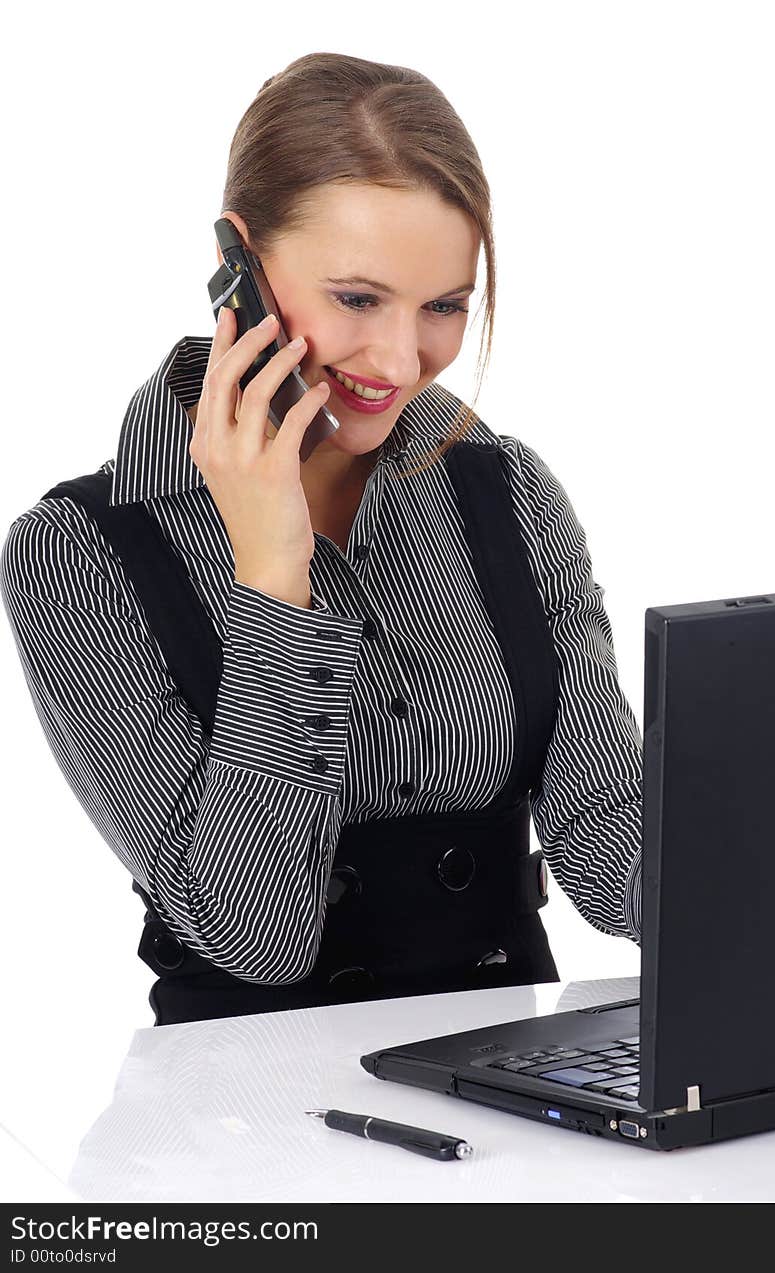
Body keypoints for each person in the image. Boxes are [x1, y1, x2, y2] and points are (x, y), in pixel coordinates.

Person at [0, 52, 642, 1027]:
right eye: (355, 298)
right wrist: (272, 574)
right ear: (238, 263)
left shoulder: (508, 491)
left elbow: (606, 837)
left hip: (506, 1080)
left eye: (443, 307)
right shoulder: (76, 554)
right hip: (242, 1121)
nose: (397, 360)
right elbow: (252, 934)